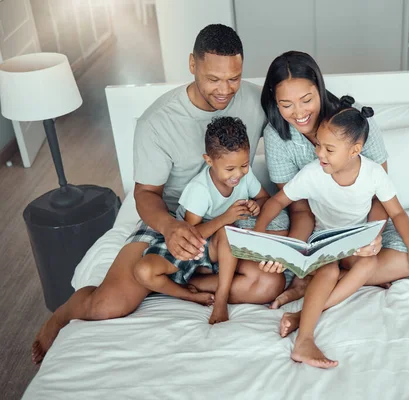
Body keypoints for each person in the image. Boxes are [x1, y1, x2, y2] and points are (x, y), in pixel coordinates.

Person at [31, 24, 285, 364]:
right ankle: (65, 313)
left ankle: (173, 283)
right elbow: (146, 194)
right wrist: (170, 228)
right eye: (213, 79)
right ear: (192, 65)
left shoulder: (256, 101)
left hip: (228, 222)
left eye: (234, 78)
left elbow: (303, 120)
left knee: (268, 286)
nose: (225, 90)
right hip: (171, 220)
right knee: (107, 306)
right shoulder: (158, 120)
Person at [254, 105, 409, 369]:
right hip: (322, 239)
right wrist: (260, 233)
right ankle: (304, 339)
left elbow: (397, 213)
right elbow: (277, 201)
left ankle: (299, 315)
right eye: (319, 145)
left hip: (355, 240)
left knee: (370, 263)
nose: (319, 154)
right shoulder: (313, 174)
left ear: (355, 150)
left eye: (329, 149)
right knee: (328, 272)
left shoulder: (373, 174)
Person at [260, 51, 409, 309]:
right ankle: (332, 274)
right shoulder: (277, 135)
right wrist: (294, 247)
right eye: (286, 105)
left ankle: (322, 278)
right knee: (281, 264)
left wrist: (372, 236)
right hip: (314, 228)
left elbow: (378, 196)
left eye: (306, 100)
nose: (299, 114)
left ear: (319, 88)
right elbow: (298, 207)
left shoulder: (355, 122)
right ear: (274, 100)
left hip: (363, 225)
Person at [133, 116, 290, 324]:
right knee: (142, 272)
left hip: (220, 250)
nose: (238, 174)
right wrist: (226, 218)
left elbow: (263, 198)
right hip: (192, 246)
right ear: (209, 161)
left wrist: (256, 205)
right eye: (230, 169)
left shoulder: (246, 175)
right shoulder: (199, 189)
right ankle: (200, 295)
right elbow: (190, 234)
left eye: (243, 165)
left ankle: (199, 281)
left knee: (271, 283)